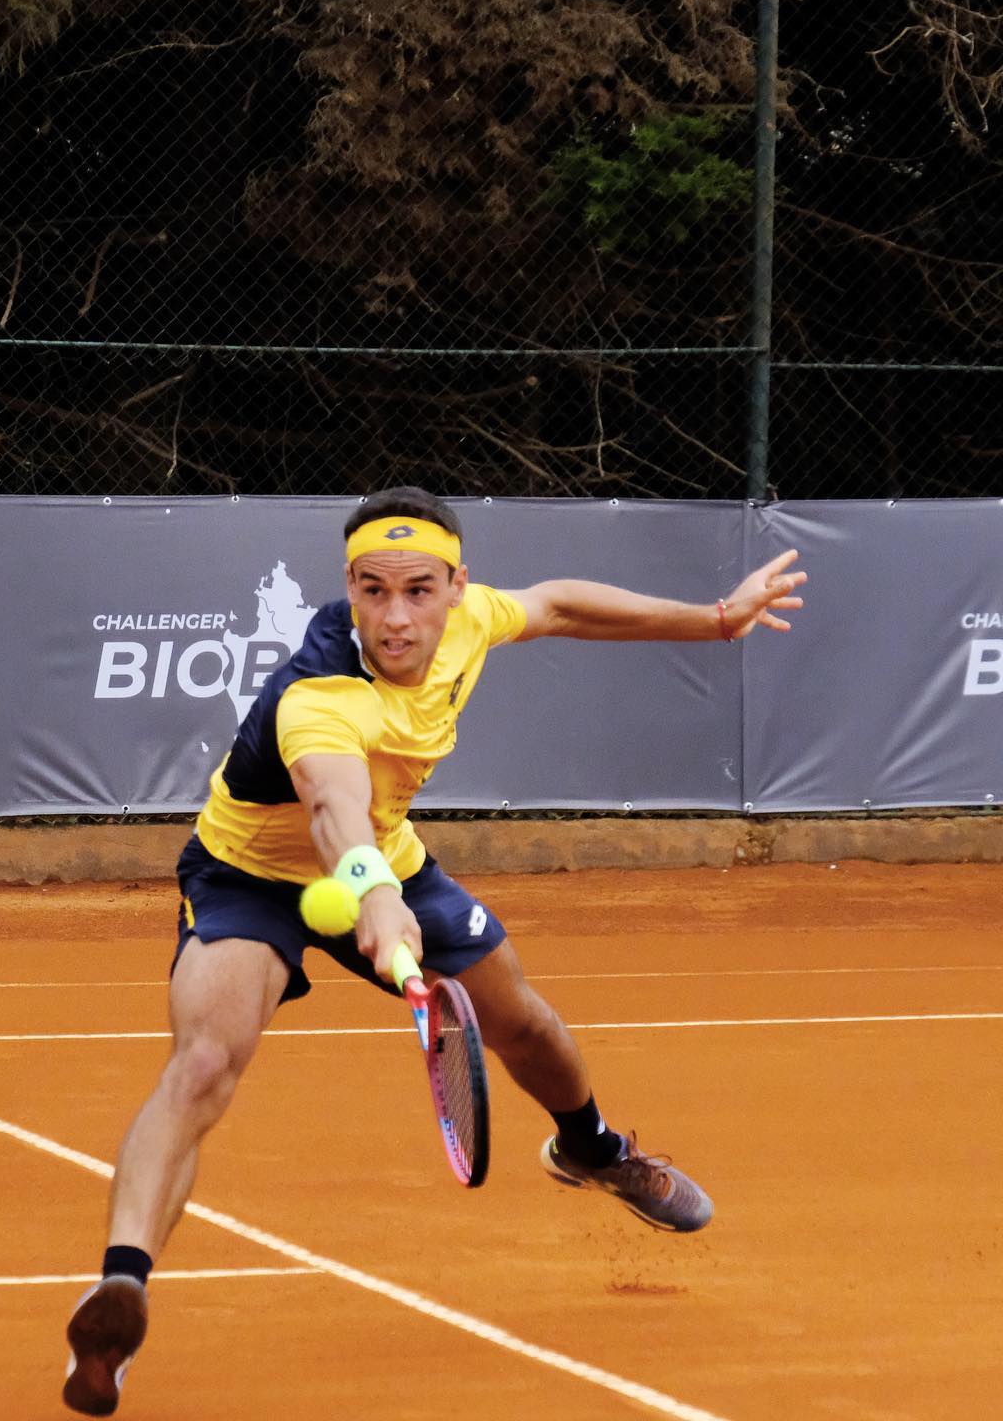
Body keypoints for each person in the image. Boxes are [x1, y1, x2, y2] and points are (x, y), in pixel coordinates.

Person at [62, 487, 807, 1416]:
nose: (396, 616)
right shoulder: (320, 695)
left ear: (457, 586)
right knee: (207, 1060)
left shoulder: (471, 622)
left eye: (419, 590)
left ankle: (595, 1149)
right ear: (349, 588)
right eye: (372, 591)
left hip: (394, 862)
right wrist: (372, 898)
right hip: (249, 875)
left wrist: (715, 621)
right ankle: (120, 1290)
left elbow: (559, 605)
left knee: (522, 1023)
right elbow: (333, 809)